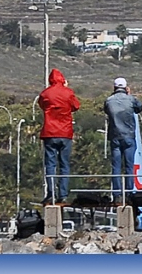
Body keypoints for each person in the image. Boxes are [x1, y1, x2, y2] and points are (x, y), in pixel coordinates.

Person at [38, 68, 81, 204]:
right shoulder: (68, 93)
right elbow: (76, 106)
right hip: (65, 132)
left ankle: (51, 192)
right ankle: (62, 193)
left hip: (50, 132)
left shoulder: (45, 94)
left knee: (50, 164)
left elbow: (42, 105)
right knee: (64, 164)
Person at [104, 76, 142, 203]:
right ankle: (129, 192)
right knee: (129, 166)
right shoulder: (131, 99)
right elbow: (139, 108)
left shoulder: (109, 100)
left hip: (115, 137)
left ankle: (117, 194)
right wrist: (129, 95)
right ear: (126, 88)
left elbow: (106, 111)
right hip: (129, 136)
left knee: (115, 166)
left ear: (114, 88)